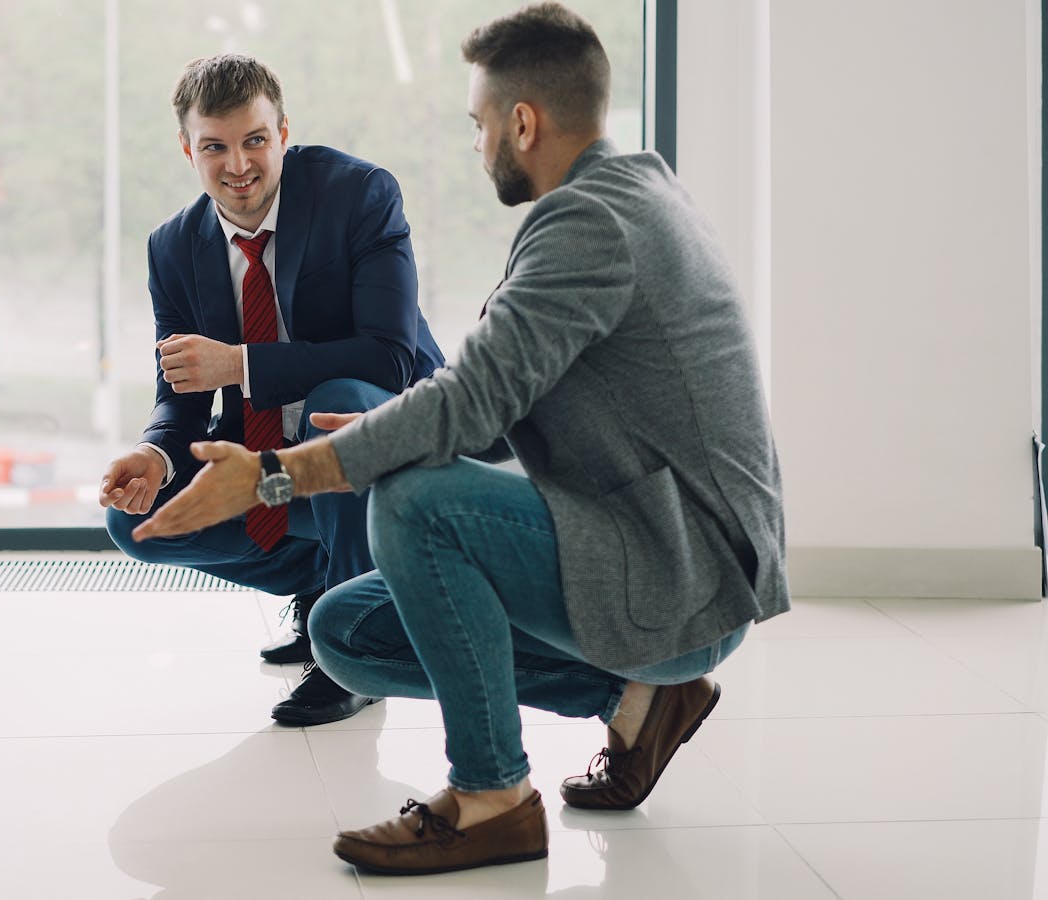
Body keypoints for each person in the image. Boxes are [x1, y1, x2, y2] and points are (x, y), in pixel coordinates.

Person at [133, 2, 788, 875]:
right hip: (652, 544)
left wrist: (276, 478)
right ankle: (634, 702)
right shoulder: (632, 190)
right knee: (347, 634)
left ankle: (491, 798)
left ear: (523, 122)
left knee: (414, 500)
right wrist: (382, 431)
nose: (477, 145)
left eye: (480, 124)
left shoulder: (587, 225)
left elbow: (469, 400)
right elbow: (484, 398)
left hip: (679, 576)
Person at [101, 54, 445, 726]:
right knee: (132, 518)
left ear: (284, 131)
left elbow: (390, 361)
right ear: (187, 149)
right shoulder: (172, 247)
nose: (239, 166)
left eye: (255, 140)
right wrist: (157, 454)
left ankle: (357, 647)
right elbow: (184, 392)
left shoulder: (360, 195)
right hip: (277, 471)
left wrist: (242, 366)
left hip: (386, 445)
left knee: (334, 405)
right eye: (215, 147)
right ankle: (325, 585)